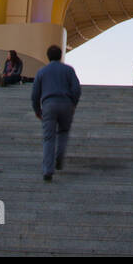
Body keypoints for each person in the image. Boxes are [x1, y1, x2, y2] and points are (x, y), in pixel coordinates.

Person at [31, 44, 81, 182]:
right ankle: (59, 158)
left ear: (48, 57)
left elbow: (35, 94)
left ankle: (48, 170)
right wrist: (73, 104)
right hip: (66, 104)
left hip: (48, 105)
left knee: (49, 138)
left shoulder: (42, 72)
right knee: (63, 132)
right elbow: (76, 89)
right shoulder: (68, 70)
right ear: (60, 56)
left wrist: (37, 110)